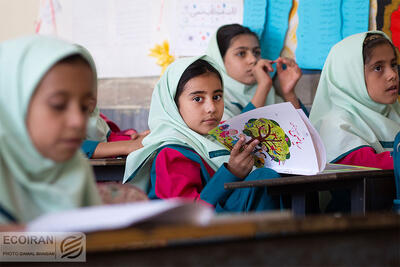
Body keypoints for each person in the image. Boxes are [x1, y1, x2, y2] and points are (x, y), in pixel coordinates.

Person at [123, 56, 281, 212]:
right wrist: (231, 172)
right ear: (173, 104)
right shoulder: (171, 154)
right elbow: (185, 217)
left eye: (217, 97)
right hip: (199, 233)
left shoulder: (218, 140)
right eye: (198, 98)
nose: (211, 107)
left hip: (224, 226)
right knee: (262, 177)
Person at [0, 35, 102, 224]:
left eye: (84, 107)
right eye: (58, 105)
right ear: (13, 105)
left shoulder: (73, 166)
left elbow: (85, 247)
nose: (78, 121)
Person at [309, 31, 400, 212]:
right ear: (350, 75)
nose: (392, 75)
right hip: (353, 227)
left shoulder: (394, 112)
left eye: (394, 64)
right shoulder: (335, 123)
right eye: (378, 68)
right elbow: (369, 165)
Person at [206, 24, 303, 119]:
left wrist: (289, 93)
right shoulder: (212, 99)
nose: (253, 60)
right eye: (241, 53)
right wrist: (263, 87)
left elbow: (307, 132)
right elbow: (237, 133)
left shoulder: (270, 94)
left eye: (256, 52)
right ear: (219, 59)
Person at [81, 85, 150, 159]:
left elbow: (110, 138)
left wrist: (135, 139)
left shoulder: (96, 118)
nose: (89, 95)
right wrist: (128, 146)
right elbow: (75, 147)